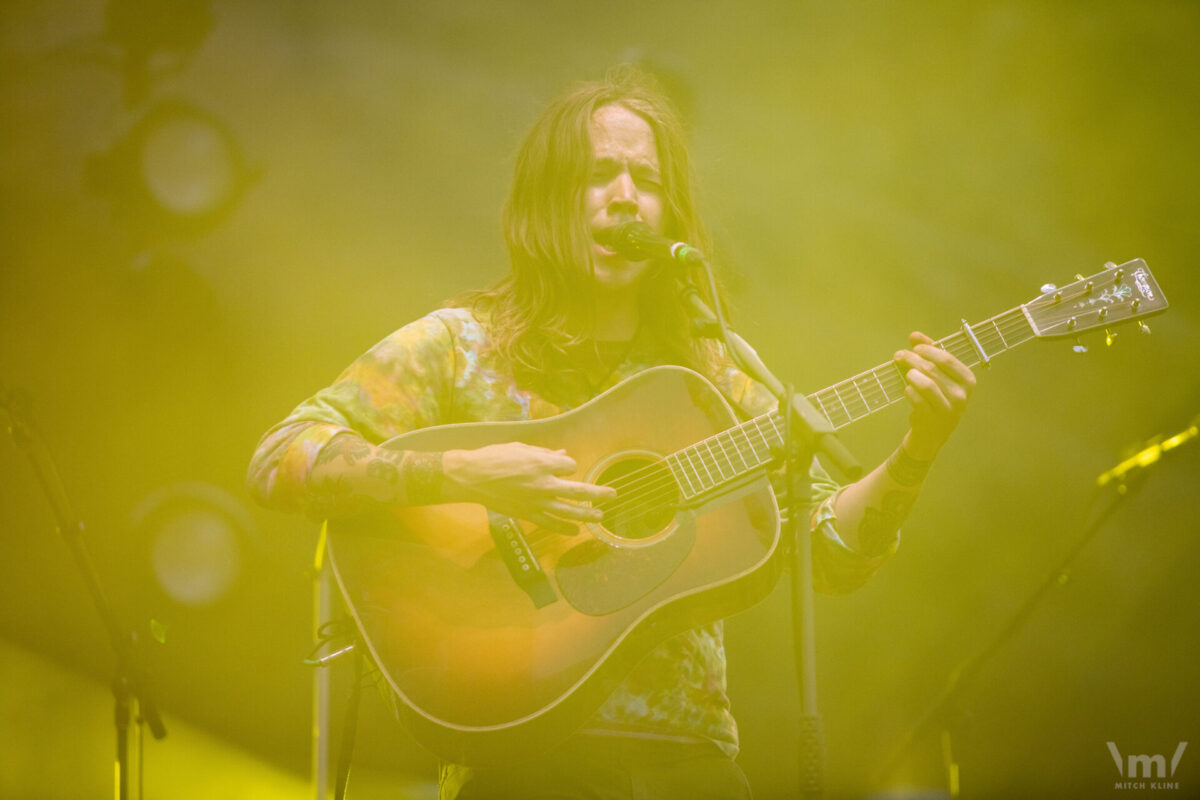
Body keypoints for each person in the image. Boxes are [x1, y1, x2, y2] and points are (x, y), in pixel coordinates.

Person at [247, 66, 975, 800]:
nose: (625, 197)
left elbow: (830, 554)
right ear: (547, 197)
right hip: (521, 754)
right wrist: (466, 474)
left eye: (647, 182)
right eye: (599, 174)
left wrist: (916, 454)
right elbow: (282, 457)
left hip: (686, 754)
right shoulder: (460, 344)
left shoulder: (709, 377)